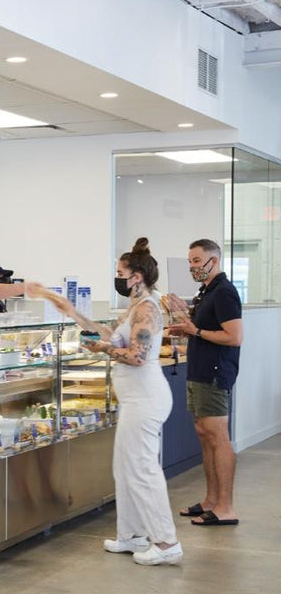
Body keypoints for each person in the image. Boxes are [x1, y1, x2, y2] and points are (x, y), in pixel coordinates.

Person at [57, 238, 183, 565]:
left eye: (119, 272)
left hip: (145, 398)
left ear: (136, 276)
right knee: (124, 469)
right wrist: (73, 313)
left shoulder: (147, 309)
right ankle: (132, 535)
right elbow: (105, 331)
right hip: (134, 399)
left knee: (142, 470)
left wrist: (103, 351)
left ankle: (166, 543)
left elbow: (137, 356)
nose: (116, 278)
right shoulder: (133, 307)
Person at [168, 239, 242, 527]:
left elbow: (234, 337)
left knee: (218, 438)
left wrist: (194, 329)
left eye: (197, 261)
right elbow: (202, 330)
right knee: (204, 434)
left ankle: (226, 507)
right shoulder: (206, 291)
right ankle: (211, 500)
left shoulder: (224, 292)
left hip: (214, 374)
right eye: (190, 262)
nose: (192, 267)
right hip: (198, 372)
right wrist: (185, 323)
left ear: (214, 260)